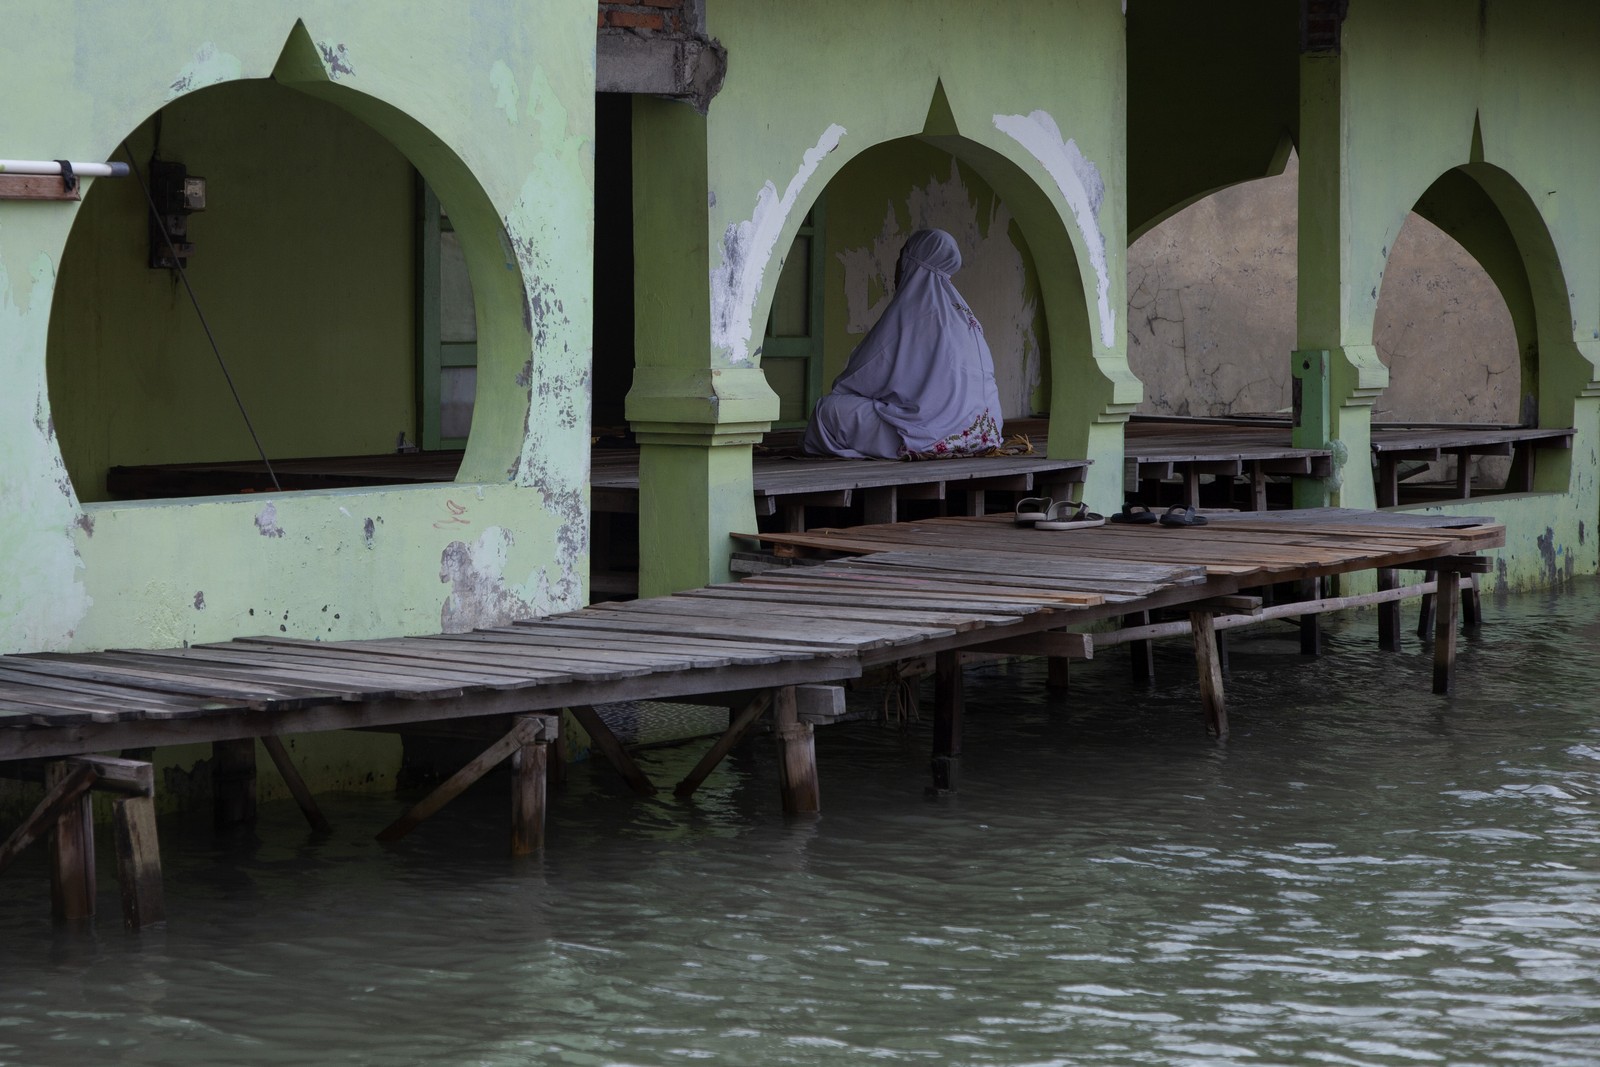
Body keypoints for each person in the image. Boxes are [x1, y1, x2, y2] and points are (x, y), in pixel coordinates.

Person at [802, 228, 1003, 459]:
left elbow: (863, 375)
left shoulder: (913, 311)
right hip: (984, 434)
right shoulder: (964, 314)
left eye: (901, 256)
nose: (896, 266)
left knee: (827, 410)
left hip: (931, 436)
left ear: (910, 261)